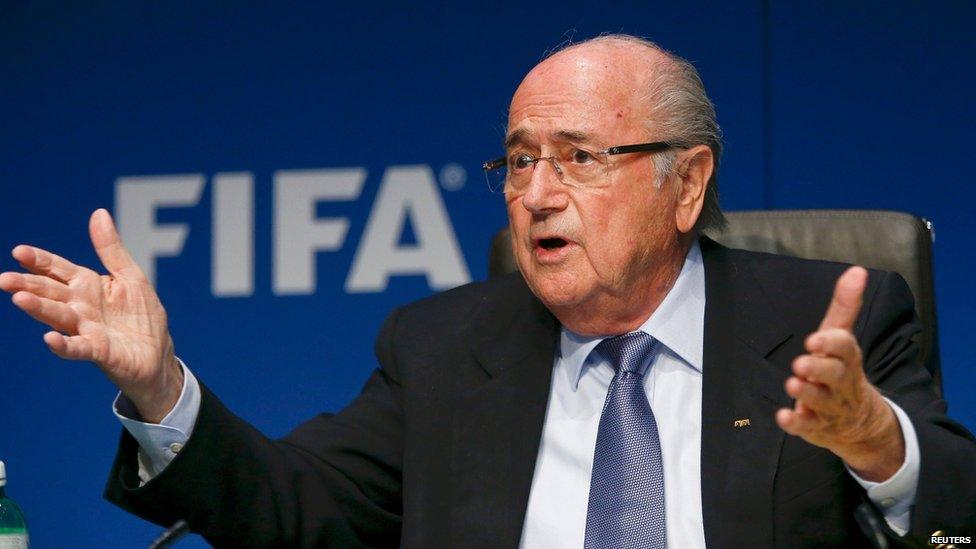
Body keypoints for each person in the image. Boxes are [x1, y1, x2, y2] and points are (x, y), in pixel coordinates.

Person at [1, 34, 973, 548]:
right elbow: (294, 508)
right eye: (517, 161)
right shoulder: (443, 348)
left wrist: (869, 441)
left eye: (578, 158)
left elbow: (958, 514)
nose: (536, 194)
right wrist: (161, 387)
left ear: (686, 185)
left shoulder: (825, 322)